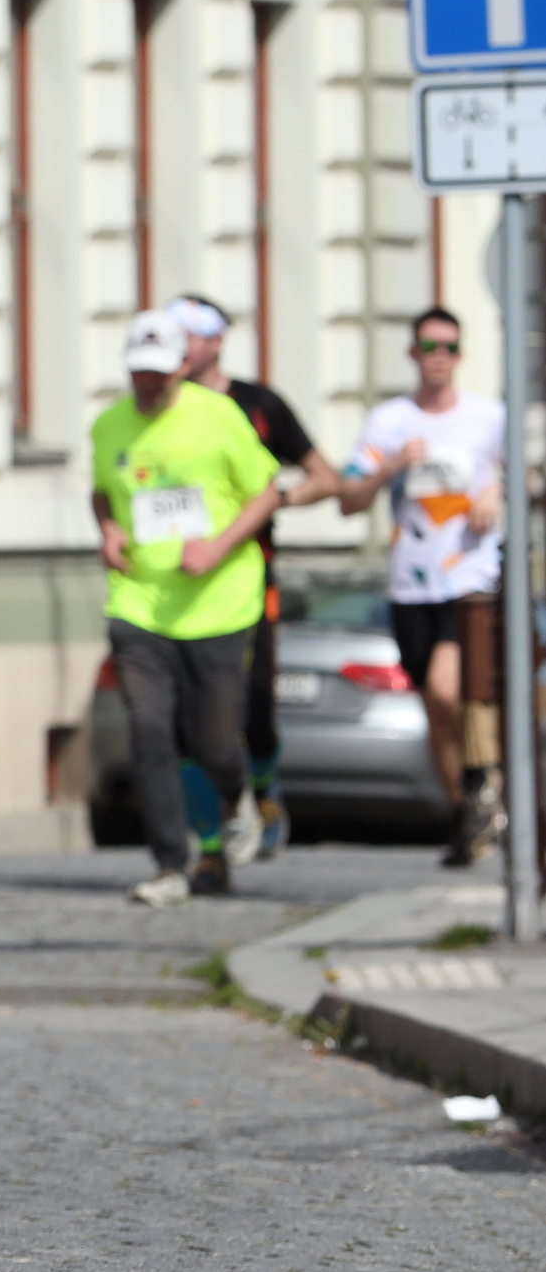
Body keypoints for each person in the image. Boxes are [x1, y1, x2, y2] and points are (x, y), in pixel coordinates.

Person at [90, 310, 282, 907]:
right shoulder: (109, 426)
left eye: (159, 373)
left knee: (215, 742)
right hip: (139, 603)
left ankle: (237, 793)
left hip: (219, 603)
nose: (148, 384)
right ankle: (171, 864)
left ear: (180, 367)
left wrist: (219, 546)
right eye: (139, 373)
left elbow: (267, 492)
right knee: (149, 732)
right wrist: (108, 530)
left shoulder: (219, 416)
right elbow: (103, 491)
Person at [168, 294, 340, 861]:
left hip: (246, 577)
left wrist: (275, 499)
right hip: (173, 580)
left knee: (258, 706)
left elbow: (325, 477)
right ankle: (210, 830)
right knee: (185, 714)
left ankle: (263, 789)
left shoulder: (258, 406)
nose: (179, 344)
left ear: (216, 341)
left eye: (190, 333)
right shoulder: (158, 405)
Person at [339, 307, 507, 867]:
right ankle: (465, 812)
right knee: (435, 708)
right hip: (411, 582)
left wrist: (496, 492)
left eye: (449, 347)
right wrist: (390, 466)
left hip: (470, 577)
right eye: (429, 346)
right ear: (413, 353)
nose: (439, 357)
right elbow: (349, 498)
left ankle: (483, 781)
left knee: (447, 689)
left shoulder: (488, 417)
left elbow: (521, 473)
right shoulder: (389, 420)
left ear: (461, 355)